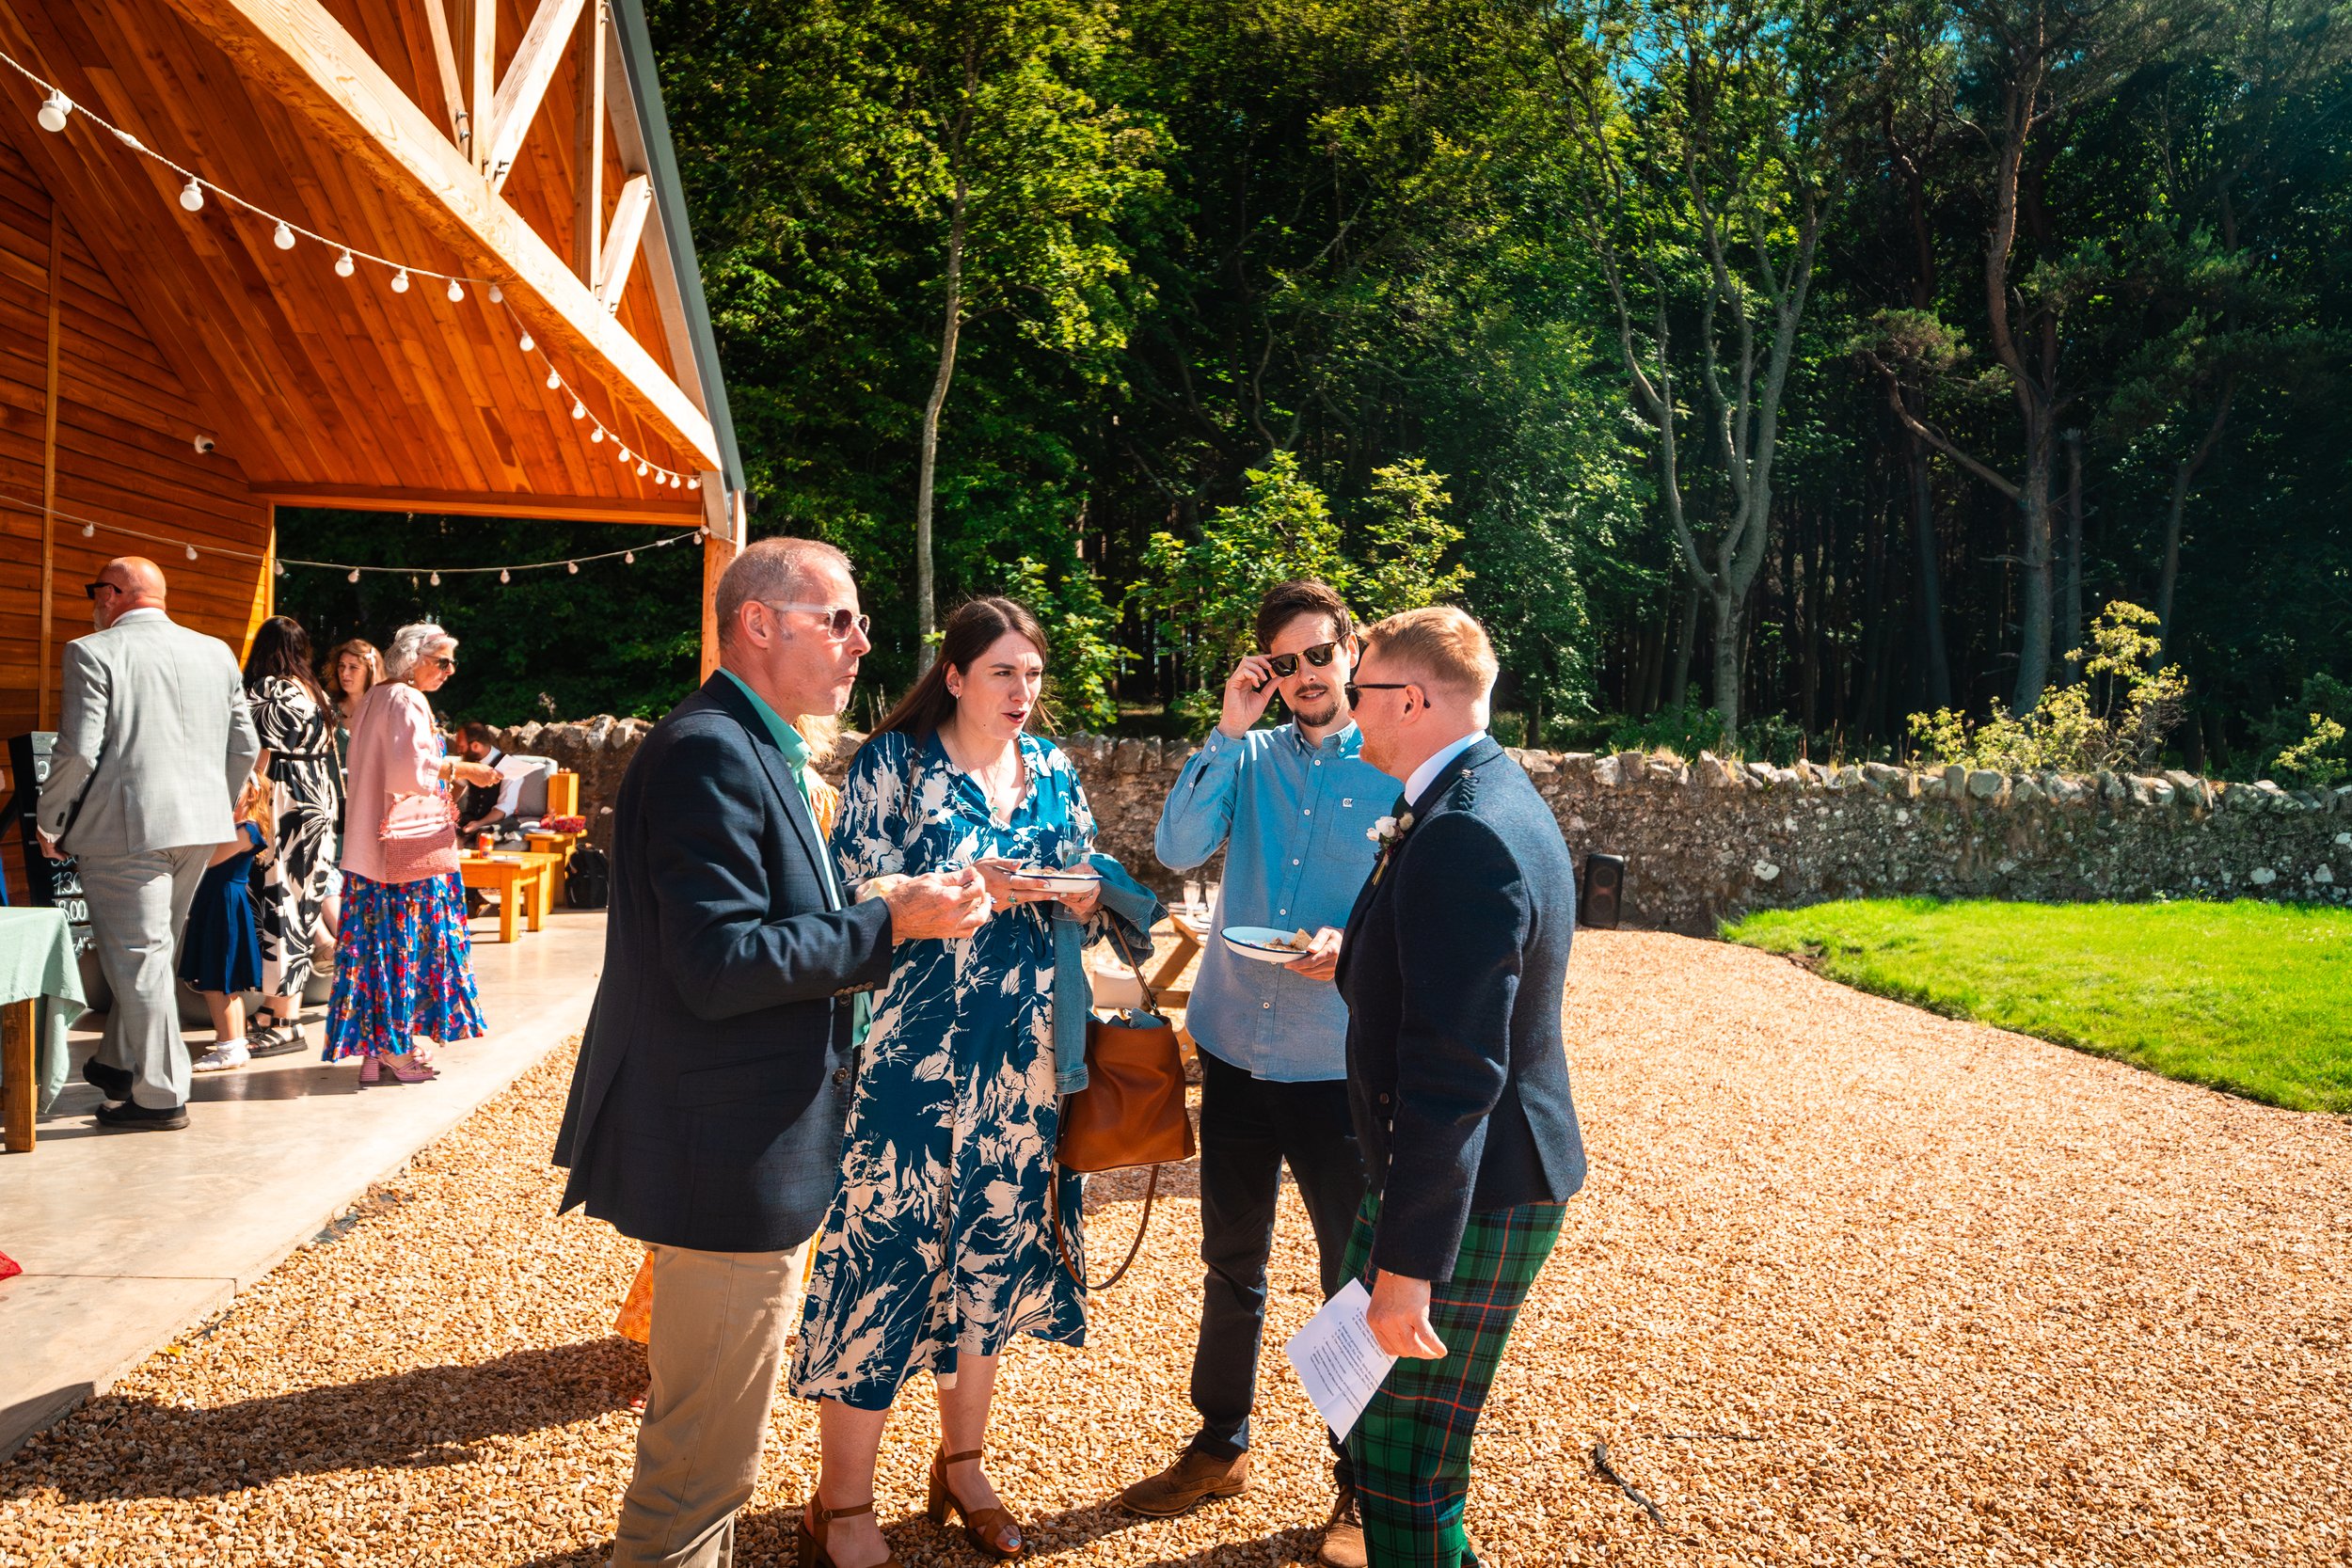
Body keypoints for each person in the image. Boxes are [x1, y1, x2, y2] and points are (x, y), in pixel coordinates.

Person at [554, 539, 991, 1568]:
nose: (861, 641)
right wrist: (892, 922)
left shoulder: (759, 744)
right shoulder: (710, 748)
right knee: (698, 1471)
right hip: (725, 1156)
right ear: (757, 622)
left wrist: (877, 907)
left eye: (860, 621)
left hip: (745, 1139)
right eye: (836, 618)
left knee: (708, 1453)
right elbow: (715, 962)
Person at [790, 595, 1161, 1568]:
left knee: (992, 1260)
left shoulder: (1050, 769)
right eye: (1003, 672)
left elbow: (1086, 886)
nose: (1022, 692)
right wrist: (960, 886)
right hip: (910, 1065)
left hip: (1027, 1066)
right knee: (885, 1258)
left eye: (1033, 675)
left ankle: (963, 1465)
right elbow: (844, 900)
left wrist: (1079, 891)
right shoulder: (893, 766)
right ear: (954, 675)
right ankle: (841, 1502)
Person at [1123, 580, 1387, 1568]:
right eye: (1282, 663)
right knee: (1231, 1263)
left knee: (1349, 1285)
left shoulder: (1395, 765)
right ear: (1262, 673)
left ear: (1351, 652)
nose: (1305, 677)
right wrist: (1228, 729)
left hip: (1335, 1063)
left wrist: (1352, 939)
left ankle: (1359, 1487)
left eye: (1319, 655)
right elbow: (1176, 847)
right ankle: (1217, 1442)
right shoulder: (1254, 754)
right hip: (1235, 1049)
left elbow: (1409, 904)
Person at [1333, 607, 1587, 1568]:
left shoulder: (1463, 832)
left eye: (1361, 691)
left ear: (1410, 698)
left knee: (1404, 1463)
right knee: (1390, 1435)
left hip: (1476, 1185)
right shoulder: (1485, 792)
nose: (1348, 710)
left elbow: (1456, 1069)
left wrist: (1409, 1263)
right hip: (1468, 1174)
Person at [35, 556, 260, 1132]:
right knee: (151, 957)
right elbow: (244, 744)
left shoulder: (93, 651)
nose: (94, 600)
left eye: (95, 589)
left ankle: (160, 1097)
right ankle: (118, 1062)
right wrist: (215, 802)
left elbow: (79, 750)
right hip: (199, 831)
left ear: (113, 594)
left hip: (124, 831)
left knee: (138, 963)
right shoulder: (215, 651)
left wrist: (51, 818)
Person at [326, 623, 501, 1085]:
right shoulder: (406, 699)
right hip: (405, 851)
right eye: (441, 660)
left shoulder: (374, 699)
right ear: (412, 658)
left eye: (451, 661)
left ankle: (376, 1051)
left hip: (371, 849)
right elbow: (409, 773)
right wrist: (462, 767)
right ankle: (398, 1052)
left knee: (374, 951)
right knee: (407, 946)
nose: (449, 670)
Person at [243, 615, 340, 1057]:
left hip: (283, 801)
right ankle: (276, 1009)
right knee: (301, 907)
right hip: (319, 798)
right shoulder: (315, 692)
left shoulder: (265, 689)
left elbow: (256, 751)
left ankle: (285, 1021)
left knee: (278, 904)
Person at [182, 779, 270, 1072]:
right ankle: (233, 1043)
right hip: (213, 903)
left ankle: (229, 1048)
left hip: (225, 906)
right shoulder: (230, 827)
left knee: (219, 981)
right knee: (221, 982)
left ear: (253, 793)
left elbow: (206, 859)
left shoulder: (248, 829)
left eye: (239, 788)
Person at [453, 721, 534, 840]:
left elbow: (504, 808)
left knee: (484, 836)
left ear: (475, 746)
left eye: (461, 747)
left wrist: (478, 824)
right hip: (470, 820)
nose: (458, 751)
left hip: (498, 824)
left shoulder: (509, 766)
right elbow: (456, 788)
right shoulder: (469, 764)